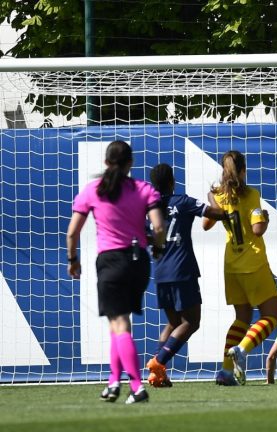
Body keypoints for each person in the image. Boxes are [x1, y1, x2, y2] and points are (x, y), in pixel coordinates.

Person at [66, 140, 166, 404]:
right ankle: (113, 382)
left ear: (106, 162)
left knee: (119, 323)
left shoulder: (93, 190)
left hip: (111, 262)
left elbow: (72, 232)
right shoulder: (144, 189)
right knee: (119, 322)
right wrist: (157, 248)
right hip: (138, 261)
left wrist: (73, 260)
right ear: (130, 163)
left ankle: (137, 387)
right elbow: (158, 228)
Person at [144, 163, 227, 388]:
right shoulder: (182, 201)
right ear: (172, 181)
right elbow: (219, 214)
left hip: (161, 272)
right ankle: (158, 362)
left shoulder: (149, 209)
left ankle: (158, 374)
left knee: (173, 323)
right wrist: (212, 197)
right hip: (182, 270)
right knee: (191, 322)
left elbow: (146, 237)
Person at [201, 150, 277, 386]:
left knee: (242, 318)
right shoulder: (251, 194)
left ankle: (225, 371)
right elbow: (258, 229)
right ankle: (242, 349)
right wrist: (265, 218)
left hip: (231, 265)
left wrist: (213, 199)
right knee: (272, 316)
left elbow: (206, 224)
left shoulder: (218, 196)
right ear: (243, 171)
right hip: (253, 263)